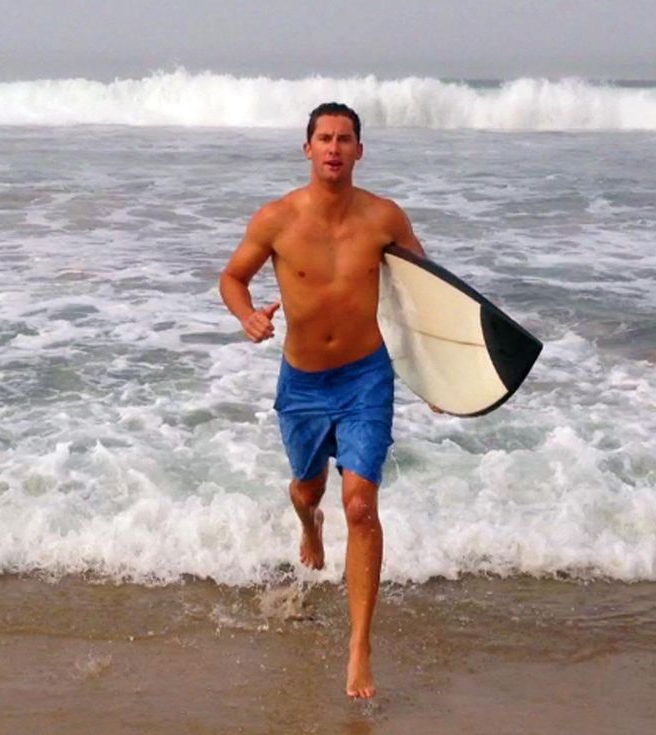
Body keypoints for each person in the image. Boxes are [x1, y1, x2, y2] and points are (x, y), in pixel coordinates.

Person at [218, 102, 425, 698]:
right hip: (303, 383)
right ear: (307, 149)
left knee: (360, 506)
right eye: (324, 138)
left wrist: (438, 379)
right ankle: (308, 522)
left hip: (367, 378)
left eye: (345, 139)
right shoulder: (277, 219)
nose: (334, 148)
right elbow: (232, 277)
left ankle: (359, 647)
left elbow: (423, 295)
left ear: (360, 151)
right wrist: (247, 316)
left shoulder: (385, 218)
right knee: (308, 489)